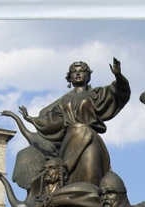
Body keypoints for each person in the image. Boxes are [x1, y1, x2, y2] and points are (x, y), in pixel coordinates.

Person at [17, 59, 130, 187]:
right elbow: (55, 122)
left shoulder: (96, 94)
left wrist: (118, 75)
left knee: (91, 178)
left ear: (88, 76)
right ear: (69, 78)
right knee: (68, 182)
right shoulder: (63, 102)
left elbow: (119, 92)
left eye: (81, 71)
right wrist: (31, 119)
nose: (77, 73)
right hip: (69, 143)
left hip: (89, 139)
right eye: (74, 72)